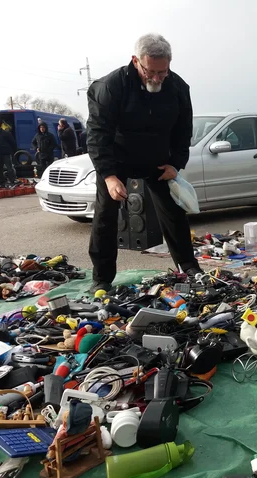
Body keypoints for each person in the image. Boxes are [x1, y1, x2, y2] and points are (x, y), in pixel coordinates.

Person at [86, 33, 201, 292]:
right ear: (136, 61)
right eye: (151, 71)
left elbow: (184, 131)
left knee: (173, 211)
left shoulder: (178, 88)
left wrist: (176, 164)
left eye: (163, 72)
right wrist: (108, 175)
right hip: (118, 157)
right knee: (105, 215)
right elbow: (97, 133)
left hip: (157, 157)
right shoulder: (111, 86)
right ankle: (101, 278)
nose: (157, 78)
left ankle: (188, 266)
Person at [0, 120, 17, 186]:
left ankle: (12, 181)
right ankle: (1, 182)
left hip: (6, 154)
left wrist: (13, 152)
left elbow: (12, 143)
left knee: (9, 168)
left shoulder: (6, 133)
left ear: (0, 126)